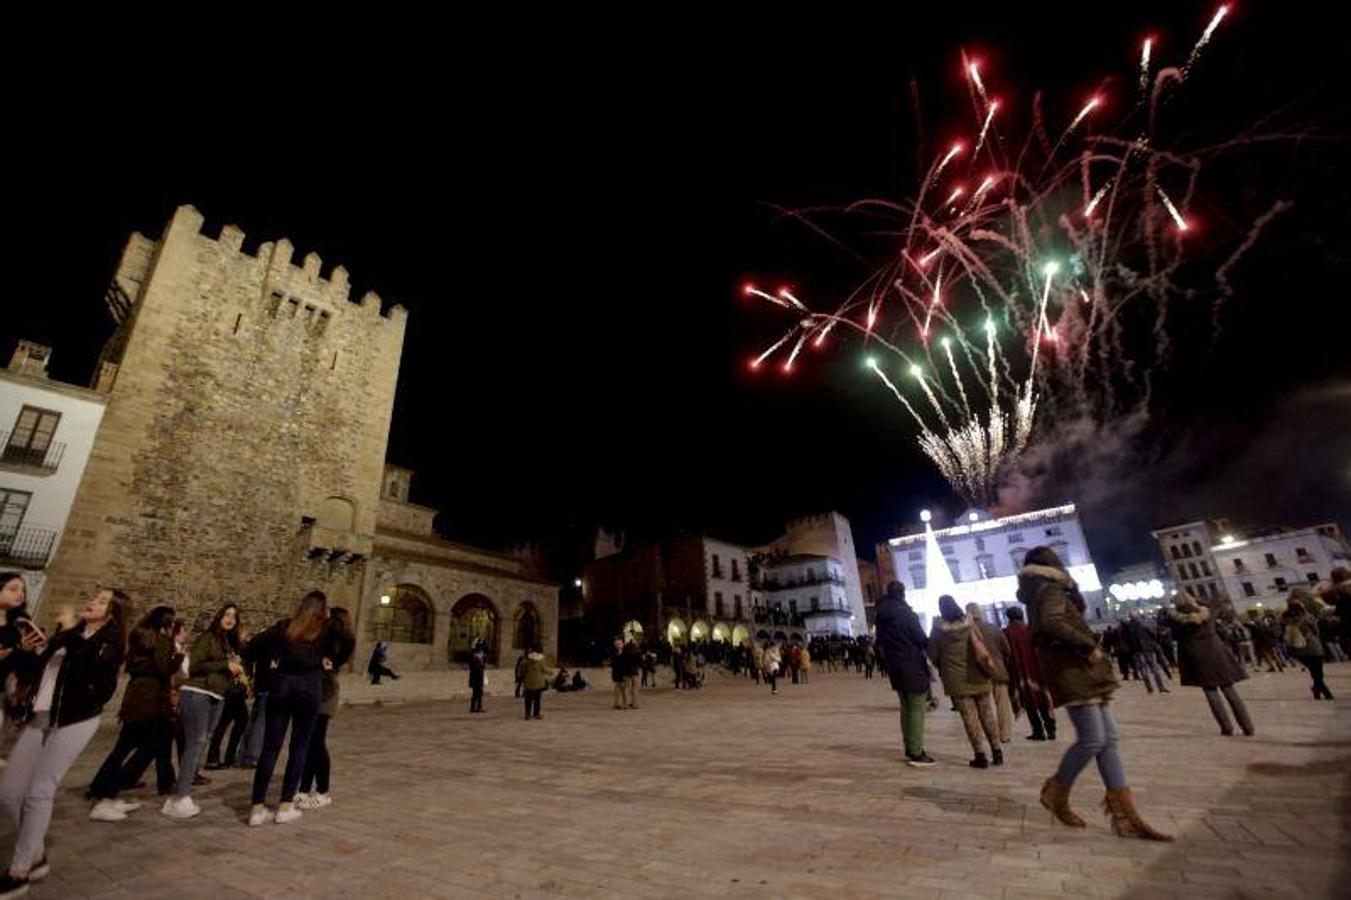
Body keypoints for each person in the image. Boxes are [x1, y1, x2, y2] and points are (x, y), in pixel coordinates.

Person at [1019, 546, 1171, 841]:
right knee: (1093, 739)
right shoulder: (1048, 588)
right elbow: (1052, 624)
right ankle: (1057, 792)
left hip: (1080, 669)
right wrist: (1087, 646)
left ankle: (1126, 815)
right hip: (1073, 669)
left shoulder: (1041, 590)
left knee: (1108, 739)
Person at [0, 587, 127, 896]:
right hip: (41, 715)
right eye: (93, 597)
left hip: (76, 719)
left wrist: (70, 632)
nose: (92, 602)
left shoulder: (111, 641)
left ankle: (20, 871)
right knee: (8, 791)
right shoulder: (70, 631)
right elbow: (39, 671)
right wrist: (25, 651)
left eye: (101, 601)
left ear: (113, 612)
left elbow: (86, 669)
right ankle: (36, 852)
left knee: (40, 791)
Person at [88, 605, 183, 821]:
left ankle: (100, 786)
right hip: (149, 698)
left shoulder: (139, 635)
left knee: (124, 746)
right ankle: (108, 793)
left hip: (135, 694)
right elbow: (163, 668)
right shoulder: (160, 640)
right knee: (142, 747)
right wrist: (177, 658)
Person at [248, 591, 329, 826]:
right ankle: (284, 806)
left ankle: (257, 808)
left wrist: (275, 659)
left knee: (270, 749)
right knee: (299, 748)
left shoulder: (284, 627)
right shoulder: (323, 631)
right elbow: (343, 645)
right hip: (309, 692)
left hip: (282, 688)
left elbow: (252, 648)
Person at [163, 603, 243, 819]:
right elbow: (195, 666)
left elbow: (221, 667)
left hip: (217, 695)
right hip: (198, 692)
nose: (230, 619)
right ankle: (181, 797)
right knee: (196, 741)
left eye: (234, 617)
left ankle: (180, 792)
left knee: (203, 741)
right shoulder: (208, 637)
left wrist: (233, 670)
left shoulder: (228, 642)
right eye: (227, 615)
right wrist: (224, 665)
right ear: (219, 617)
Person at [929, 596, 1002, 768]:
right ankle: (997, 751)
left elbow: (932, 653)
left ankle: (980, 754)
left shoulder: (938, 630)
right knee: (987, 713)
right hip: (977, 674)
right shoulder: (970, 624)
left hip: (957, 680)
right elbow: (981, 643)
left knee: (969, 718)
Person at [296, 606, 355, 811]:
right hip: (316, 689)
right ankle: (304, 789)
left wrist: (334, 662)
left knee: (316, 742)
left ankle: (323, 791)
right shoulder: (327, 637)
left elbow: (348, 644)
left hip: (326, 692)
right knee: (310, 743)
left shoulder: (337, 635)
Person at [1169, 594, 1253, 736]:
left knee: (1210, 690)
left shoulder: (1177, 620)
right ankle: (1248, 726)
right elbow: (1213, 608)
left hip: (1196, 654)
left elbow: (1172, 633)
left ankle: (1226, 727)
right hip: (1215, 650)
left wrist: (1171, 610)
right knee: (1229, 688)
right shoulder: (1207, 611)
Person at [874, 582, 935, 766]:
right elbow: (921, 639)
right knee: (917, 708)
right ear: (903, 594)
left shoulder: (881, 616)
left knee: (906, 708)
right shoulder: (907, 614)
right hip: (912, 664)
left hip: (895, 666)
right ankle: (916, 751)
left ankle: (910, 746)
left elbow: (880, 643)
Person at [1003, 606, 1056, 741]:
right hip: (1037, 671)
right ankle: (1051, 729)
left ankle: (1038, 731)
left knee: (1029, 703)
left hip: (1019, 673)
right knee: (1043, 700)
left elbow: (1006, 654)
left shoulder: (1008, 633)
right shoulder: (1031, 629)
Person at [206, 625, 253, 770]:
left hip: (235, 691)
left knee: (235, 722)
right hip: (231, 691)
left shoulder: (239, 650)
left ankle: (222, 757)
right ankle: (217, 758)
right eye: (243, 634)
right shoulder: (232, 650)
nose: (246, 636)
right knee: (225, 724)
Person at [966, 603, 1014, 744]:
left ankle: (991, 736)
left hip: (978, 673)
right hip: (998, 671)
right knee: (1002, 704)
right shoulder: (994, 628)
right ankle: (1005, 734)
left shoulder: (966, 632)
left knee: (984, 707)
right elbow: (1007, 650)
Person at [1283, 595, 1333, 700]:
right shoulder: (1307, 616)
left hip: (1299, 649)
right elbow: (1316, 630)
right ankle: (1323, 690)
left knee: (1313, 671)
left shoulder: (1287, 619)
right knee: (1318, 671)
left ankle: (1319, 690)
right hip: (1313, 645)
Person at [1124, 612, 1169, 694]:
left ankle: (1149, 688)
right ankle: (1161, 688)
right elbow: (1152, 634)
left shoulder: (1128, 627)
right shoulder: (1143, 624)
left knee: (1143, 670)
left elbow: (1127, 640)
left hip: (1137, 651)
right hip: (1147, 649)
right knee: (1154, 669)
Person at [521, 646, 549, 719]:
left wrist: (521, 677)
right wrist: (551, 672)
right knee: (537, 699)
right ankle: (536, 714)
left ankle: (527, 714)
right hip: (538, 683)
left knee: (528, 699)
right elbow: (544, 669)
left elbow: (522, 671)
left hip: (528, 682)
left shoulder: (525, 661)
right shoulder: (541, 660)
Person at [621, 639, 641, 708]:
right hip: (634, 671)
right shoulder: (637, 651)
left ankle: (625, 704)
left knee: (626, 687)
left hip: (626, 671)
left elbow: (622, 661)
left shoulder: (625, 651)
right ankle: (634, 703)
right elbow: (639, 660)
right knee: (635, 688)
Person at [468, 646, 486, 713]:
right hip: (476, 681)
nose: (482, 654)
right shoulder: (474, 660)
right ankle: (473, 708)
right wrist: (480, 663)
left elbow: (482, 668)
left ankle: (478, 707)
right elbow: (475, 669)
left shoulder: (479, 660)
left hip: (479, 681)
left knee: (479, 695)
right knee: (475, 695)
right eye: (481, 653)